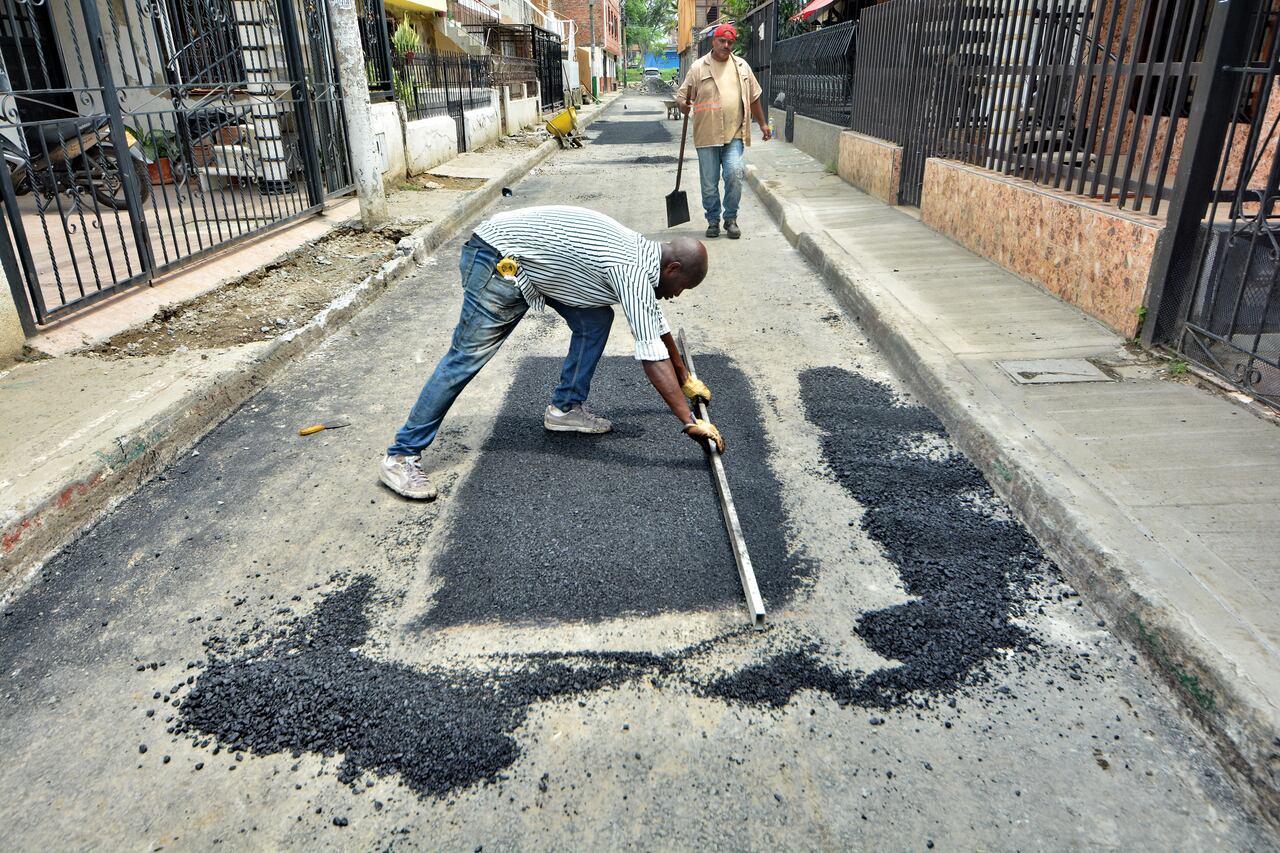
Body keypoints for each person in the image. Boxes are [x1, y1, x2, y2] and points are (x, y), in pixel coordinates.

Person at [380, 205, 725, 501]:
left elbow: (655, 321)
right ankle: (401, 455)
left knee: (595, 319)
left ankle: (564, 409)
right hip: (498, 260)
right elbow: (651, 354)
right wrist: (689, 422)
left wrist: (686, 379)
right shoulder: (631, 269)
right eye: (682, 287)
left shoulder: (644, 255)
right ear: (673, 269)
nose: (678, 295)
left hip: (532, 261)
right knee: (464, 360)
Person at [675, 22, 772, 240]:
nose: (726, 45)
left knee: (734, 175)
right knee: (709, 184)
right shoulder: (698, 67)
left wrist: (763, 124)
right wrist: (683, 105)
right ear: (714, 41)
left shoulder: (742, 67)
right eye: (722, 41)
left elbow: (754, 98)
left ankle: (731, 219)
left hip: (735, 134)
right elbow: (682, 97)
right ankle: (712, 220)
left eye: (730, 42)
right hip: (707, 135)